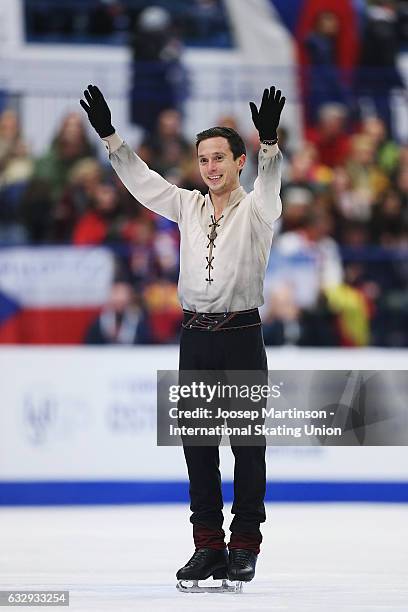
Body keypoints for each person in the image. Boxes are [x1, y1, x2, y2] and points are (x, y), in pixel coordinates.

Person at [80, 83, 285, 590]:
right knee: (197, 445)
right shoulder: (187, 206)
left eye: (220, 158)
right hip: (194, 337)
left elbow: (271, 181)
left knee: (247, 446)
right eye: (203, 159)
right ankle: (208, 545)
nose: (211, 167)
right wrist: (110, 136)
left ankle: (244, 546)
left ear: (240, 162)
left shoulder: (260, 209)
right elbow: (143, 183)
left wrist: (271, 143)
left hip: (241, 335)